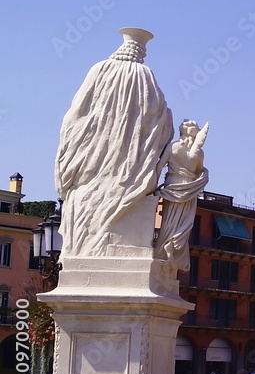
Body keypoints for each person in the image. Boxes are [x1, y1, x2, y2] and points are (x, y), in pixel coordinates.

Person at [55, 28, 173, 258]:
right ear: (141, 51)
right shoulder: (144, 74)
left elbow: (76, 112)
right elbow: (158, 115)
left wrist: (74, 144)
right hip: (130, 164)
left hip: (91, 160)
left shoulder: (98, 70)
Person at [154, 120, 210, 273]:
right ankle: (173, 244)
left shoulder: (172, 147)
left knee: (168, 221)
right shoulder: (198, 153)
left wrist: (152, 188)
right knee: (184, 221)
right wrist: (204, 171)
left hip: (172, 184)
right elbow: (198, 172)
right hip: (189, 187)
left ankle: (164, 248)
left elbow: (159, 167)